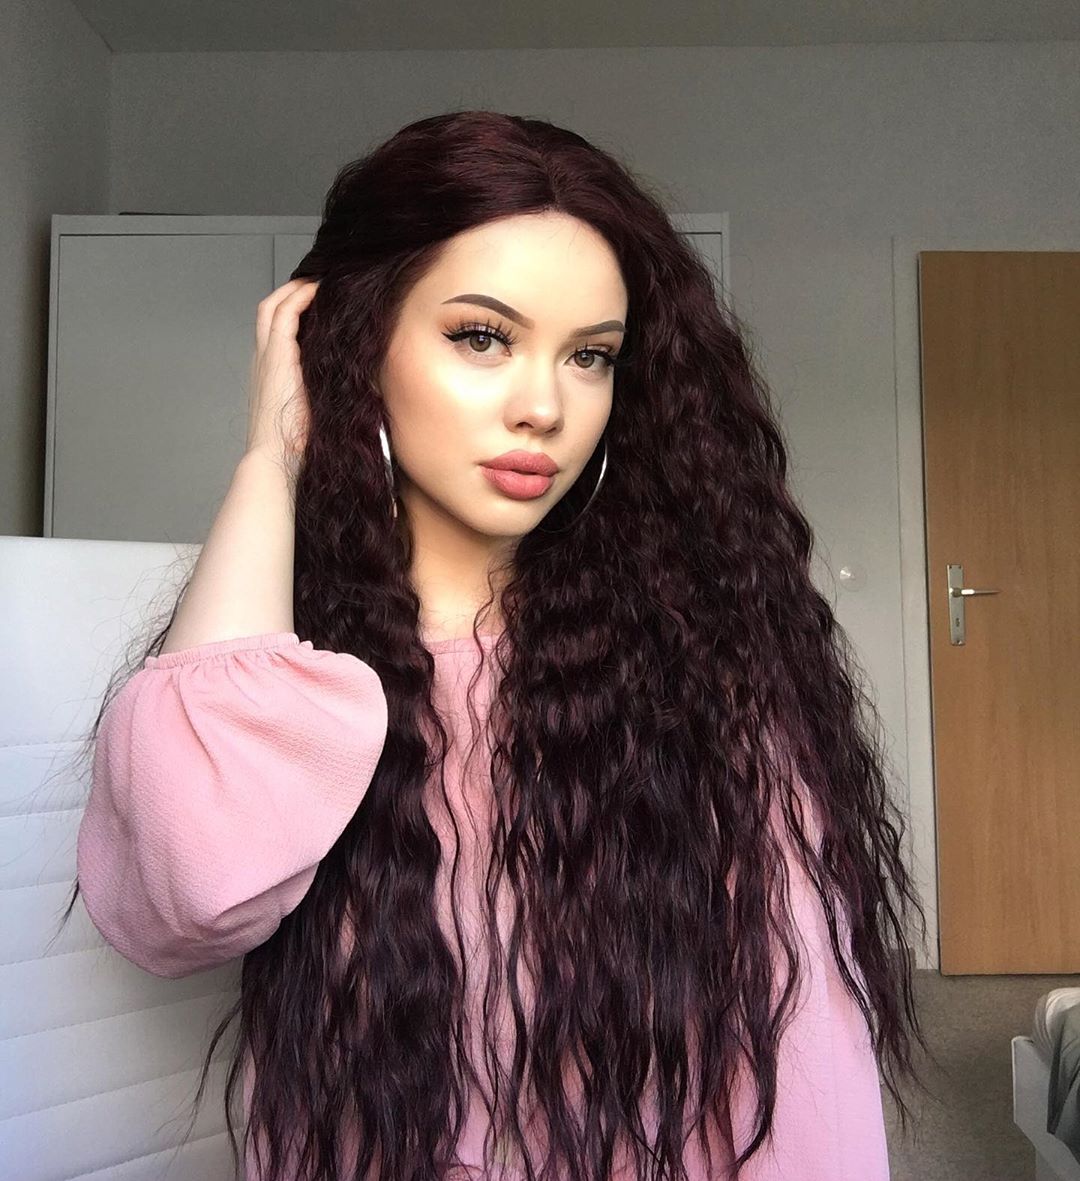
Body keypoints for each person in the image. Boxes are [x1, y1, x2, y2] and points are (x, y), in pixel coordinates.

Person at [71, 110, 930, 1181]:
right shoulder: (284, 675)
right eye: (482, 336)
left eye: (591, 356)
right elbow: (188, 895)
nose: (543, 406)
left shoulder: (692, 679)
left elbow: (806, 1071)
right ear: (357, 343)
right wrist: (271, 460)